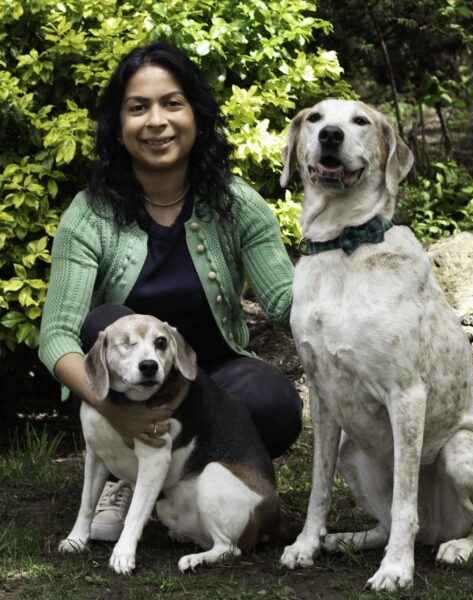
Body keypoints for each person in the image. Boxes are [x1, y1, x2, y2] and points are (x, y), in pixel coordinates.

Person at [39, 41, 302, 543]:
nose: (156, 121)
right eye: (138, 108)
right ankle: (124, 474)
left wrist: (344, 279)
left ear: (196, 116)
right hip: (119, 381)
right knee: (102, 323)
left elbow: (287, 304)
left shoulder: (237, 203)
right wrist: (116, 411)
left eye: (171, 103)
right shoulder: (90, 214)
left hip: (207, 379)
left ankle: (190, 482)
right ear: (119, 127)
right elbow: (56, 337)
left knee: (274, 401)